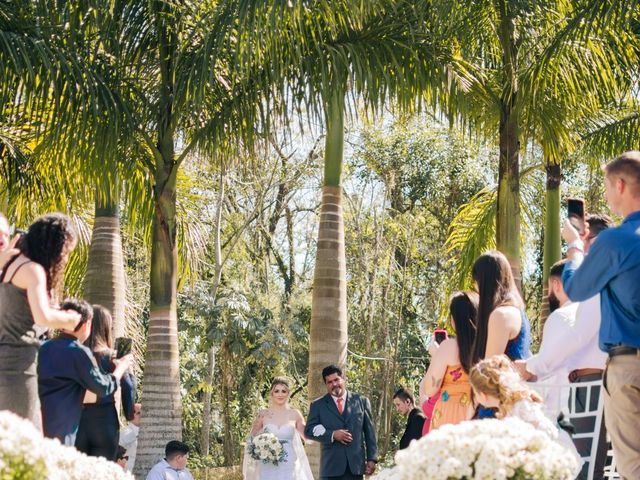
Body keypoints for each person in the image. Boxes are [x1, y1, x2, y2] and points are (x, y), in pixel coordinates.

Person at [562, 151, 640, 479]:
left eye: (608, 186)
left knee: (633, 463)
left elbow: (575, 289)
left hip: (629, 367)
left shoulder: (615, 241)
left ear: (620, 185)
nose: (607, 194)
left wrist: (576, 248)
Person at [0, 213, 81, 428]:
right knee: (25, 445)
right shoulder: (33, 270)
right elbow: (42, 316)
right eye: (65, 252)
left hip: (8, 364)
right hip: (18, 369)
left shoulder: (11, 267)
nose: (63, 259)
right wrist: (70, 319)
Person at [37, 298, 133, 445]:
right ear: (86, 323)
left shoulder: (44, 347)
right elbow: (103, 387)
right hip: (65, 429)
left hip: (39, 423)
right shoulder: (78, 352)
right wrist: (121, 367)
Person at [470, 354, 581, 473]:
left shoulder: (521, 406)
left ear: (482, 395)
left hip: (556, 461)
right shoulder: (509, 405)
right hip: (541, 458)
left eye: (475, 393)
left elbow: (541, 435)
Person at [75, 305, 136, 460]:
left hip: (77, 419)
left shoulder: (75, 354)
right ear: (107, 328)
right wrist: (129, 413)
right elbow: (128, 387)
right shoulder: (114, 358)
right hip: (105, 420)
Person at [305, 365, 378, 479]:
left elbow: (370, 434)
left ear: (343, 379)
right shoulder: (318, 405)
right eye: (329, 382)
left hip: (355, 468)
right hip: (330, 468)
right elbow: (309, 431)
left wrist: (372, 459)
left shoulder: (361, 401)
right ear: (326, 384)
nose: (334, 384)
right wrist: (332, 435)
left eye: (336, 380)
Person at [420, 292, 477, 431]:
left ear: (453, 319)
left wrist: (436, 356)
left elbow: (430, 389)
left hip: (449, 414)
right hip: (478, 411)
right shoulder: (486, 345)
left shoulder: (448, 347)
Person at [243, 377, 313, 480]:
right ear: (272, 394)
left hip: (288, 463)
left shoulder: (295, 414)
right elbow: (251, 438)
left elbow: (307, 436)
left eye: (283, 391)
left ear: (288, 393)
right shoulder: (264, 414)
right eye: (276, 391)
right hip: (267, 463)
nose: (280, 394)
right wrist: (261, 448)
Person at [119, 403, 142, 472]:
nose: (142, 415)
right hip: (131, 472)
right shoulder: (127, 432)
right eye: (139, 413)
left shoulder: (145, 431)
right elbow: (115, 450)